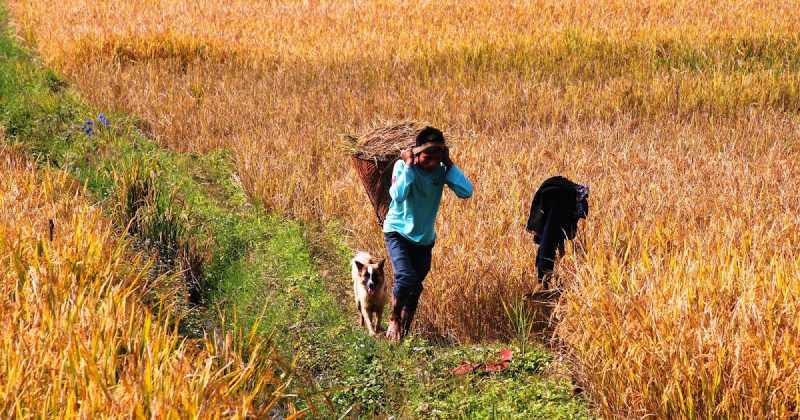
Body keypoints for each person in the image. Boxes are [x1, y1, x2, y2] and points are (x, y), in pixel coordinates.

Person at [383, 127, 473, 341]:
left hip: (424, 239)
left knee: (415, 287)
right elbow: (397, 195)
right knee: (406, 278)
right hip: (398, 232)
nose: (432, 162)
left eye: (437, 157)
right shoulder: (403, 167)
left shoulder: (442, 171)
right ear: (416, 153)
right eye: (427, 157)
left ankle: (403, 334)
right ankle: (394, 318)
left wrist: (449, 163)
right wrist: (408, 165)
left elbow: (466, 191)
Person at [526, 176, 589, 290]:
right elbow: (552, 240)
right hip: (556, 196)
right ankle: (543, 282)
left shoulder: (569, 199)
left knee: (548, 240)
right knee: (548, 243)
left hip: (549, 194)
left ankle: (544, 281)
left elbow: (558, 237)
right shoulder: (566, 202)